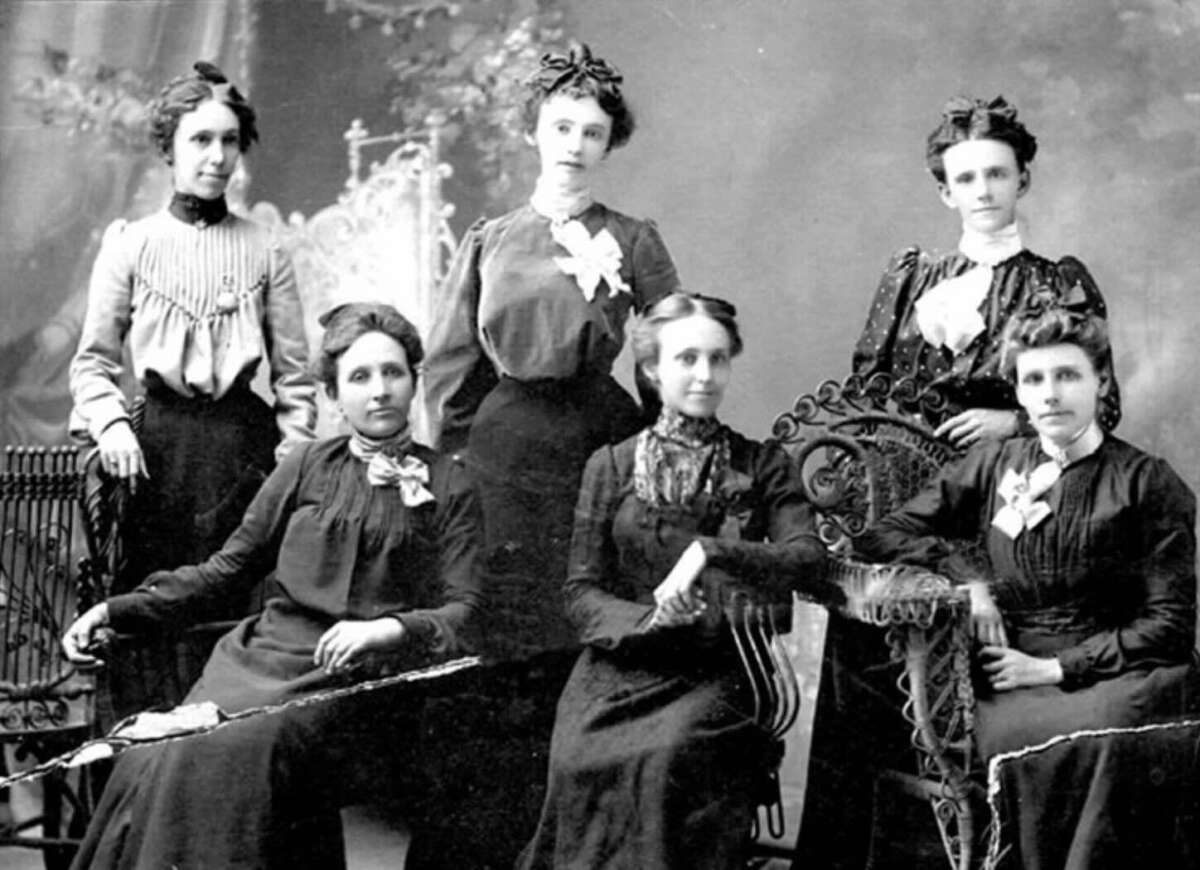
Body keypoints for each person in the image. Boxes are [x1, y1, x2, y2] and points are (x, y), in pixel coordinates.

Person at [61, 302, 483, 870]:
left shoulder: (451, 484)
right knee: (158, 747)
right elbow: (225, 571)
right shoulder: (306, 465)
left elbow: (467, 611)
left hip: (356, 678)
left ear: (414, 380)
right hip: (260, 656)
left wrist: (387, 629)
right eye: (359, 377)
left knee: (232, 748)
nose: (379, 390)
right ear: (334, 395)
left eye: (393, 372)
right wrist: (115, 611)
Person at [417, 41, 681, 867]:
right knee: (501, 631)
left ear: (610, 144)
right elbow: (451, 362)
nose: (574, 144)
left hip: (595, 441)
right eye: (560, 126)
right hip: (501, 445)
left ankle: (574, 833)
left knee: (583, 619)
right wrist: (451, 463)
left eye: (593, 132)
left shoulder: (634, 239)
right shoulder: (491, 237)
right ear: (534, 131)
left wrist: (662, 451)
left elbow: (670, 351)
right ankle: (487, 835)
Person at [853, 304, 1199, 867]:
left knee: (1112, 733)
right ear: (1017, 390)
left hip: (1127, 667)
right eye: (1034, 379)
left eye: (1068, 376)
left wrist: (1059, 669)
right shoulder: (993, 465)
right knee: (1033, 738)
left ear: (1101, 382)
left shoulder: (1146, 482)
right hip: (1012, 666)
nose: (1051, 394)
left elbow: (1170, 624)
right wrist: (971, 585)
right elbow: (884, 536)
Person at [517, 293, 840, 869]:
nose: (705, 375)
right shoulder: (610, 466)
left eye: (718, 360)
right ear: (652, 370)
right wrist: (647, 619)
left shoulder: (761, 464)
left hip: (718, 665)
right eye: (687, 359)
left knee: (666, 760)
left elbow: (808, 559)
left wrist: (709, 551)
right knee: (576, 758)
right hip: (620, 666)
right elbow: (580, 590)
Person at [69, 59, 316, 603]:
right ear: (169, 147)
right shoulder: (130, 244)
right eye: (200, 139)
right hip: (155, 455)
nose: (217, 156)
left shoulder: (266, 247)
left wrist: (292, 461)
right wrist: (111, 426)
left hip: (243, 451)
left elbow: (296, 379)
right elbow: (91, 364)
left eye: (229, 140)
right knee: (154, 604)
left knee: (236, 601)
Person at [852, 95, 1121, 448]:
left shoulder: (1059, 285)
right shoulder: (911, 278)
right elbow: (863, 393)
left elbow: (1105, 407)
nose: (982, 192)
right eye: (966, 179)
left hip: (1015, 473)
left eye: (996, 174)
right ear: (947, 193)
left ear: (1021, 181)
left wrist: (1016, 423)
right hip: (911, 475)